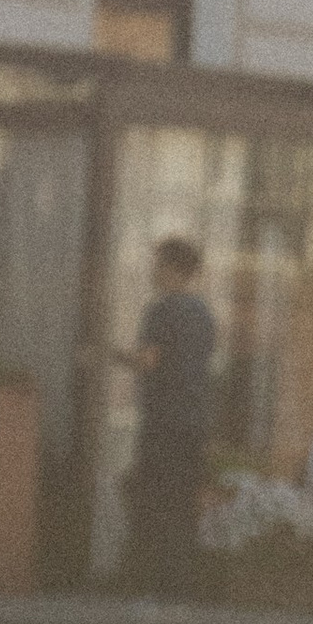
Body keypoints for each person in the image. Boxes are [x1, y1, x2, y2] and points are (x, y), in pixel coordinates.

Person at [117, 235, 216, 602]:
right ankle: (180, 590)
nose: (153, 272)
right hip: (195, 419)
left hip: (162, 421)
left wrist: (108, 356)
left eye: (158, 264)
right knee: (184, 504)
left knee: (154, 503)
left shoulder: (161, 311)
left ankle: (151, 589)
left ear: (173, 269)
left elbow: (147, 361)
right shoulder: (204, 314)